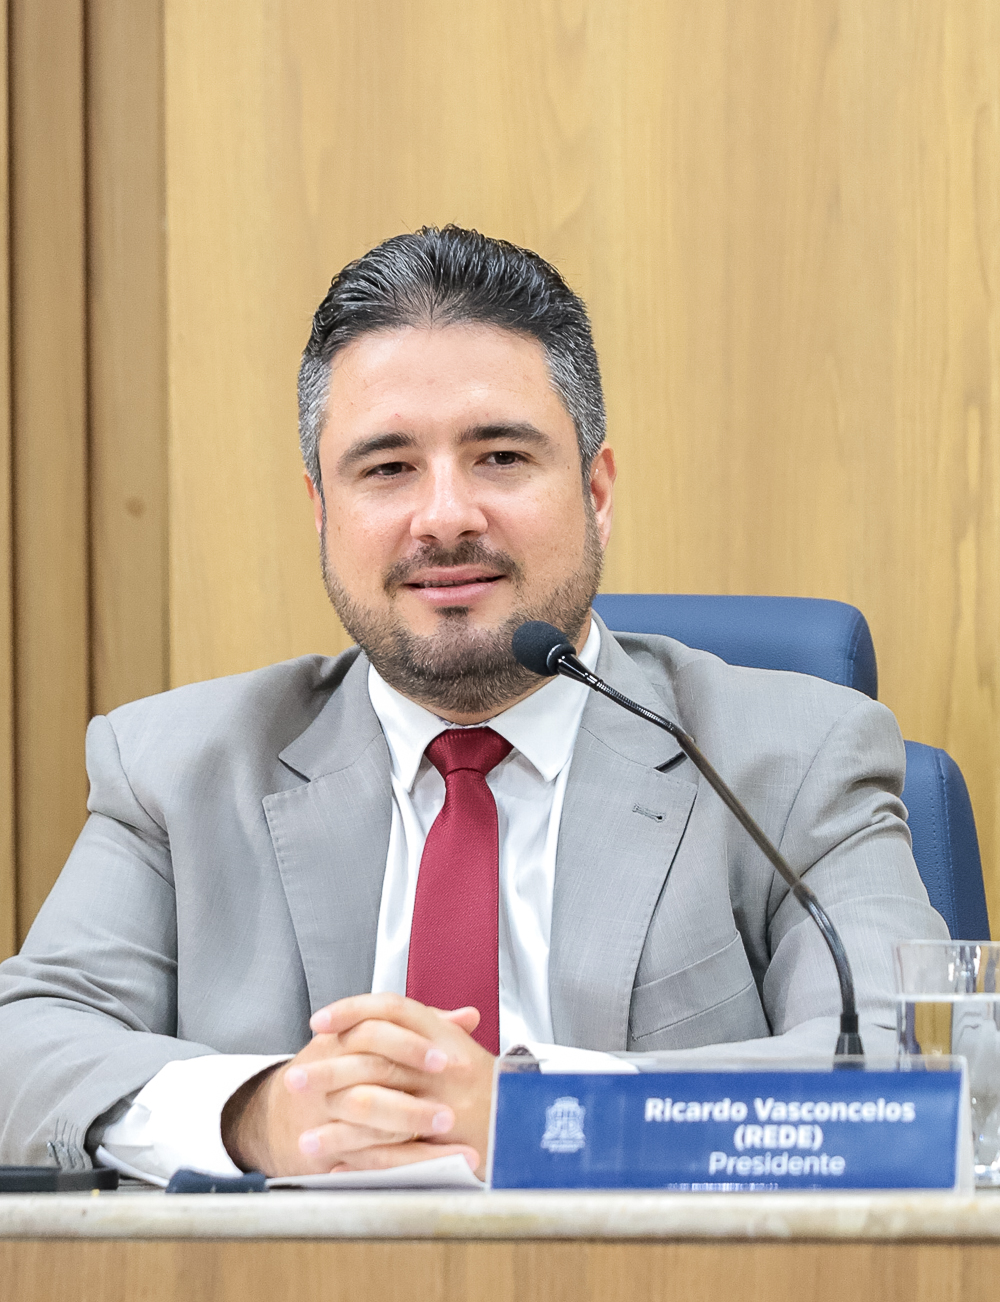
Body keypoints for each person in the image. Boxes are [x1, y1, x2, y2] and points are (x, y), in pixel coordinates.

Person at [0, 226, 945, 1182]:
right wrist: (255, 1114)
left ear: (596, 491)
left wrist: (545, 1117)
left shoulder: (792, 761)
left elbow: (905, 1068)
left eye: (499, 456)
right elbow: (25, 1049)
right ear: (322, 512)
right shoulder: (176, 770)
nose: (445, 515)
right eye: (387, 469)